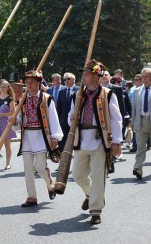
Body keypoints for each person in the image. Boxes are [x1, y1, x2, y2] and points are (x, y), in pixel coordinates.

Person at [67, 61, 122, 225]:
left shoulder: (108, 94)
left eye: (86, 74)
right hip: (81, 139)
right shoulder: (78, 95)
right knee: (77, 175)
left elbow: (116, 119)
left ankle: (96, 210)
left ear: (96, 77)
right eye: (83, 74)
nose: (83, 77)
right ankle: (91, 194)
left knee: (98, 177)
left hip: (100, 140)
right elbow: (71, 114)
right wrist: (71, 118)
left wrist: (117, 142)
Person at [16, 69, 63, 207]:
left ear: (38, 83)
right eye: (27, 82)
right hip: (27, 138)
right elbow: (19, 120)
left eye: (31, 82)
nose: (28, 85)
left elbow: (53, 118)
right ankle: (31, 197)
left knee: (40, 166)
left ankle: (50, 184)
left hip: (42, 136)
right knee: (28, 168)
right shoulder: (22, 101)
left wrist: (55, 137)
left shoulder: (46, 99)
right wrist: (14, 122)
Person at [0, 79, 17, 170]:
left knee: (7, 145)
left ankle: (8, 163)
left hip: (6, 124)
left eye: (4, 87)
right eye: (1, 87)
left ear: (8, 88)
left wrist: (2, 114)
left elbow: (13, 112)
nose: (2, 88)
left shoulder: (10, 99)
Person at [56, 72, 79, 151]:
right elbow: (59, 108)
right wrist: (58, 121)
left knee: (75, 138)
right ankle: (63, 154)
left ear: (74, 80)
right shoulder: (61, 92)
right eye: (64, 79)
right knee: (63, 141)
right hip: (63, 121)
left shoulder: (79, 90)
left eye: (68, 79)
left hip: (74, 120)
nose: (66, 81)